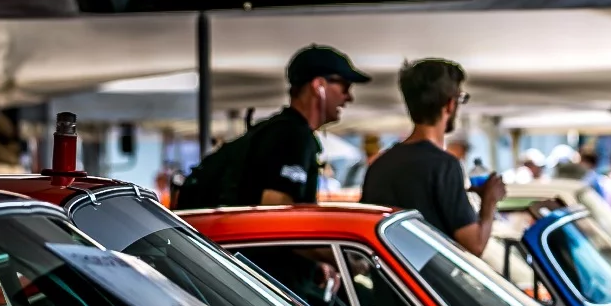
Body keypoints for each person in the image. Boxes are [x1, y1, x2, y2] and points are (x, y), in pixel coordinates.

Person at [175, 45, 369, 209]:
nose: (349, 97)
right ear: (319, 86)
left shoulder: (278, 131)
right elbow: (278, 217)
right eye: (345, 86)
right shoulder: (292, 137)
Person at [360, 58, 507, 256]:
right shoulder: (445, 166)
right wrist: (490, 201)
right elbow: (475, 244)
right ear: (449, 105)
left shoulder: (380, 166)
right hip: (426, 285)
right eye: (460, 99)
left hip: (389, 283)